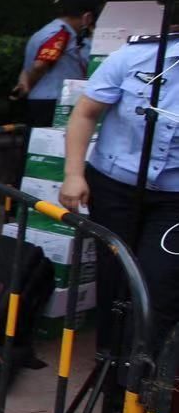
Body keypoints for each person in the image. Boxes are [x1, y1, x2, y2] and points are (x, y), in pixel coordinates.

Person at [59, 21, 179, 347]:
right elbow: (85, 113)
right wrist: (73, 174)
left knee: (160, 286)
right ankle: (111, 375)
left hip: (173, 200)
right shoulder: (140, 55)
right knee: (115, 281)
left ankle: (140, 382)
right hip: (115, 187)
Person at [16, 0, 95, 129]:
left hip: (40, 100)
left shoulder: (41, 33)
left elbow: (27, 68)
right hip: (55, 102)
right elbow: (40, 64)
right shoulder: (61, 34)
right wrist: (30, 82)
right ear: (87, 17)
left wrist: (25, 83)